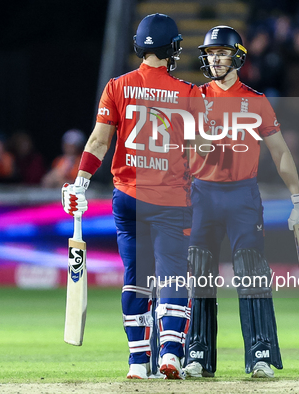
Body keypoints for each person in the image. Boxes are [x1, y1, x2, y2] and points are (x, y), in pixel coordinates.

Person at [61, 13, 209, 380]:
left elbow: (97, 141)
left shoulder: (117, 86)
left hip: (128, 198)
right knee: (174, 277)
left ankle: (138, 363)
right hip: (171, 199)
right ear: (171, 48)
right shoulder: (189, 93)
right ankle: (171, 354)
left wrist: (80, 183)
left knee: (136, 277)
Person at [182, 26, 299, 379]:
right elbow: (178, 149)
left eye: (221, 52)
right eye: (210, 53)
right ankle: (196, 353)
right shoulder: (193, 97)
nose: (214, 59)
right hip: (202, 194)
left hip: (242, 195)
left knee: (252, 274)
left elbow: (280, 152)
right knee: (199, 274)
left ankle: (260, 353)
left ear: (237, 56)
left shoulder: (256, 101)